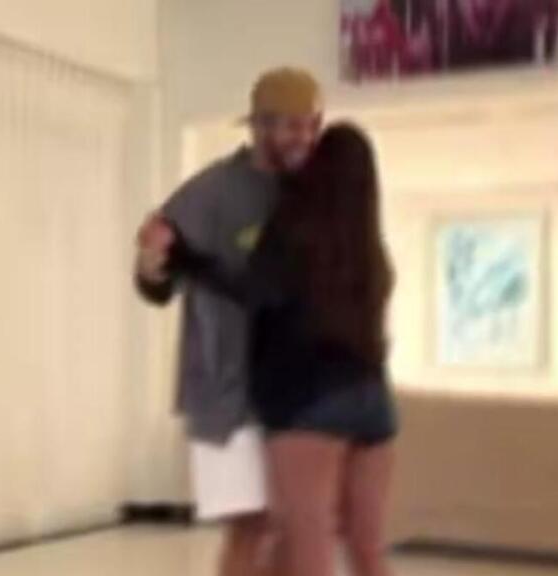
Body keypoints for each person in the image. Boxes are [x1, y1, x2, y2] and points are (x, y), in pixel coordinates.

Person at [165, 123, 398, 576]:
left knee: (309, 549)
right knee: (368, 549)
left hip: (310, 402)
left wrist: (185, 259)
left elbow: (250, 289)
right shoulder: (372, 254)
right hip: (375, 405)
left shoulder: (298, 234)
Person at [134, 67, 323, 576]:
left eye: (312, 125)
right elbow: (156, 283)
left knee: (289, 529)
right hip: (227, 395)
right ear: (259, 126)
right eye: (292, 126)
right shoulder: (212, 192)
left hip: (292, 393)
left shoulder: (309, 193)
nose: (305, 138)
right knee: (250, 527)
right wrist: (151, 263)